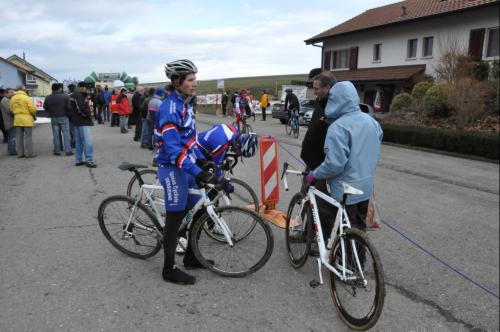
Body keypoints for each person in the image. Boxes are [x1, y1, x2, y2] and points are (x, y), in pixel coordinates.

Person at [155, 59, 216, 285]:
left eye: (195, 80)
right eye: (190, 80)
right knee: (175, 217)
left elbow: (188, 142)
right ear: (177, 81)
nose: (195, 84)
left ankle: (191, 256)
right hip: (171, 167)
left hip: (185, 165)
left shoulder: (184, 104)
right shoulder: (170, 108)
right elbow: (172, 149)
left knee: (200, 208)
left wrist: (203, 160)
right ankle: (168, 268)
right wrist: (196, 171)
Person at [305, 81, 383, 233]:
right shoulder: (372, 123)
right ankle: (359, 256)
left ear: (335, 100)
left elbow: (334, 164)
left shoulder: (338, 127)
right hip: (366, 188)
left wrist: (314, 174)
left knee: (344, 235)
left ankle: (344, 255)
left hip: (345, 191)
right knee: (359, 232)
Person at [300, 71, 336, 237]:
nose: (314, 92)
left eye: (317, 88)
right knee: (307, 198)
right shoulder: (320, 102)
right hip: (311, 162)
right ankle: (307, 234)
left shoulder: (334, 107)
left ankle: (320, 240)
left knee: (321, 205)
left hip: (323, 165)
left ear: (328, 87)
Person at [69, 82, 96, 168]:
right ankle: (89, 160)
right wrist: (88, 114)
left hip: (76, 121)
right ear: (79, 87)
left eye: (85, 87)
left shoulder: (73, 95)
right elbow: (81, 108)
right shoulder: (79, 95)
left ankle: (78, 160)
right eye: (83, 87)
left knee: (79, 142)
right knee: (87, 141)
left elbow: (70, 109)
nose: (85, 88)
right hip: (82, 121)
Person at [43, 83, 73, 156]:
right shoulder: (65, 97)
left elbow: (45, 107)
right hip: (64, 117)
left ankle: (57, 150)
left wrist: (51, 111)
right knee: (66, 134)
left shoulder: (48, 97)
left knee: (56, 134)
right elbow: (69, 107)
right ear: (59, 88)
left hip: (53, 117)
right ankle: (68, 150)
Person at [10, 85, 37, 158]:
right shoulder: (26, 98)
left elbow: (11, 109)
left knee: (19, 137)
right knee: (28, 137)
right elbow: (33, 109)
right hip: (26, 119)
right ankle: (29, 153)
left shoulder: (13, 98)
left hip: (17, 119)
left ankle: (20, 153)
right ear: (23, 90)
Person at [0, 88, 17, 155]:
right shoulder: (5, 101)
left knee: (11, 136)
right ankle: (12, 151)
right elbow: (10, 111)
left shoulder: (7, 100)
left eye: (13, 92)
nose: (12, 94)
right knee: (12, 137)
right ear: (6, 93)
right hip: (9, 121)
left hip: (9, 120)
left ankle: (11, 150)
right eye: (11, 92)